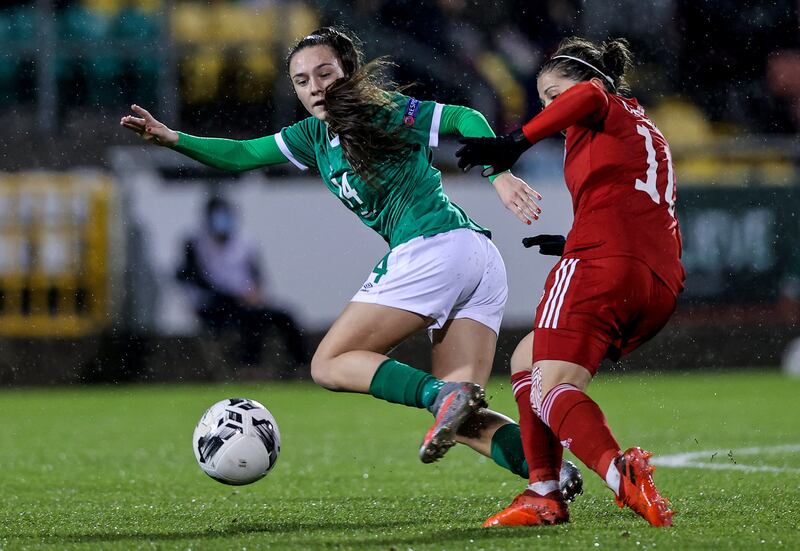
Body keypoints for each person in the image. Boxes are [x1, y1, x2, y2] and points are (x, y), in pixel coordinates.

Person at [120, 27, 582, 498]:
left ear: (349, 72)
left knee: (329, 363)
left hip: (435, 248)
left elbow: (465, 117)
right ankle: (551, 475)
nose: (315, 87)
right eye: (302, 81)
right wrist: (172, 137)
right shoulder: (311, 135)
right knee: (462, 418)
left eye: (325, 73)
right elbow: (241, 154)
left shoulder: (380, 111)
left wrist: (499, 174)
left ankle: (440, 396)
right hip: (473, 259)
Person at [457, 36, 684, 527]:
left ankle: (617, 473)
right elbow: (638, 202)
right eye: (542, 102)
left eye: (555, 95)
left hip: (602, 264)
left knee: (550, 385)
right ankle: (543, 491)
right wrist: (575, 237)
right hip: (656, 279)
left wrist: (513, 141)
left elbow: (590, 97)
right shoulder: (643, 127)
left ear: (593, 83)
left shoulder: (601, 103)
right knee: (527, 360)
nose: (551, 109)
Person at [176, 195, 310, 371]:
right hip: (214, 304)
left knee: (285, 317)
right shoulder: (195, 243)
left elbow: (256, 275)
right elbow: (192, 278)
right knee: (249, 318)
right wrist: (234, 295)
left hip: (246, 302)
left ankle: (300, 365)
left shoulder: (244, 242)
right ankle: (249, 366)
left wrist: (254, 292)